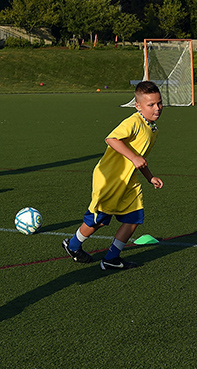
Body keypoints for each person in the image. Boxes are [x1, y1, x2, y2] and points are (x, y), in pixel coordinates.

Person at [62, 81, 164, 270]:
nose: (157, 108)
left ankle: (111, 258)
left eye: (159, 103)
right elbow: (111, 139)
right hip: (110, 178)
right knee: (99, 219)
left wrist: (149, 176)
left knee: (134, 218)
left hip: (128, 180)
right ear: (138, 106)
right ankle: (73, 245)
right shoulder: (134, 121)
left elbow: (139, 158)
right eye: (151, 105)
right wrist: (133, 157)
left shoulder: (152, 127)